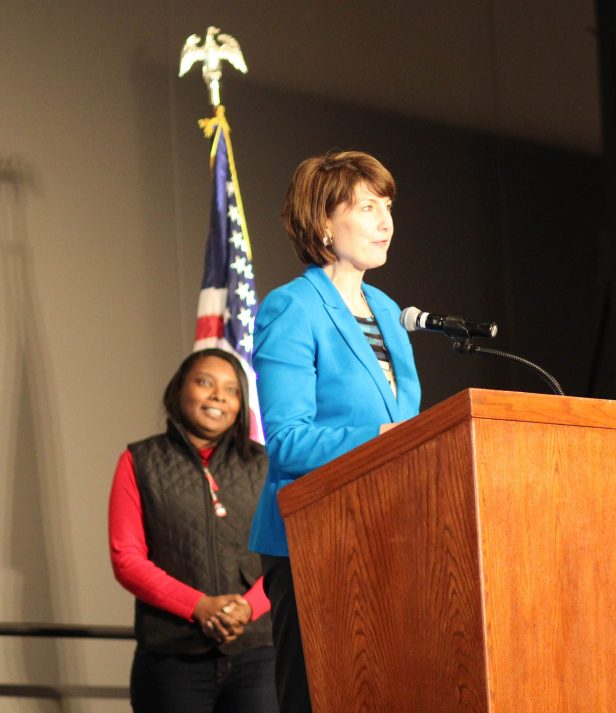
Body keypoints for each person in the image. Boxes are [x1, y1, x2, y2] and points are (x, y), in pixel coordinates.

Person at [248, 149, 422, 713]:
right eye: (367, 206)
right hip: (314, 541)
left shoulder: (389, 309)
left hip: (388, 532)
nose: (385, 221)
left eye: (388, 206)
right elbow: (288, 441)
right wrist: (382, 438)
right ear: (324, 222)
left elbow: (412, 424)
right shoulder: (291, 308)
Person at [108, 348, 277, 713]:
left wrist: (247, 609)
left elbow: (284, 554)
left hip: (258, 658)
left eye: (232, 390)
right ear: (179, 390)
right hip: (172, 659)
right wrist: (198, 606)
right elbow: (127, 558)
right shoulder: (139, 461)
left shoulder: (265, 465)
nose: (219, 396)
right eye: (205, 383)